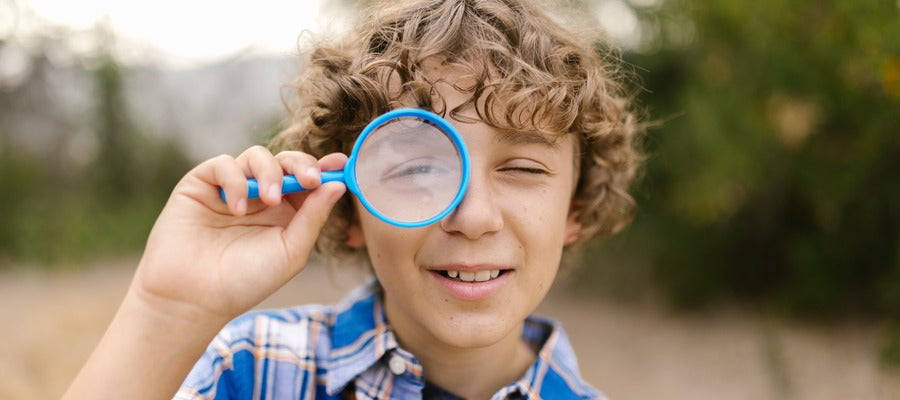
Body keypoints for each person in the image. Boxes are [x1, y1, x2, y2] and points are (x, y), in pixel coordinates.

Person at [64, 0, 642, 398]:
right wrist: (168, 310)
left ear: (575, 206)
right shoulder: (251, 372)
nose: (472, 217)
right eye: (418, 165)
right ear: (348, 208)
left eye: (522, 166)